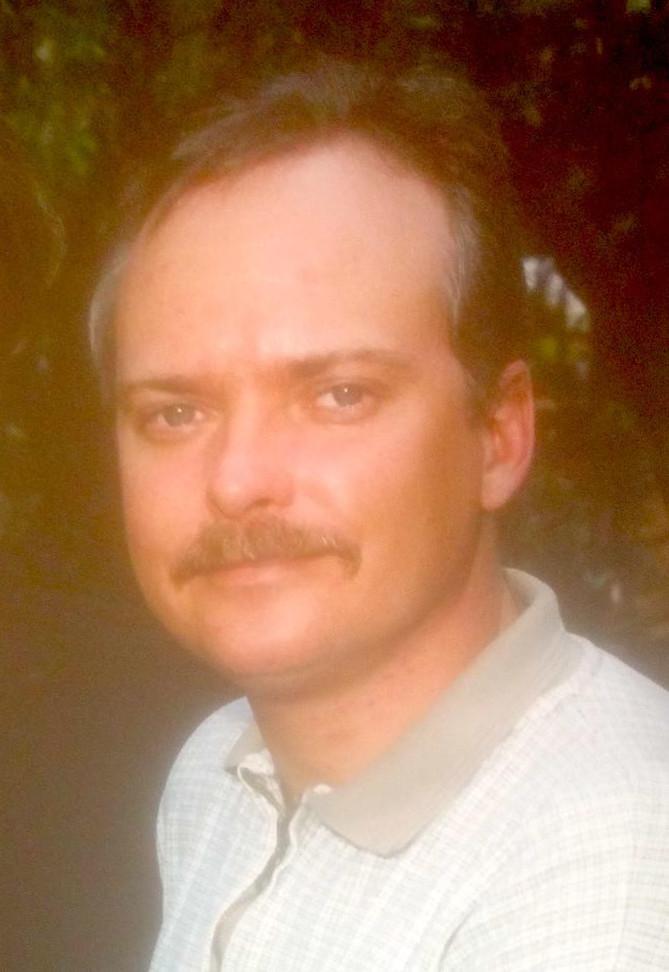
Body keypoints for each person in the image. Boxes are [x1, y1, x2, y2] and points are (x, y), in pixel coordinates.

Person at [89, 59, 669, 970]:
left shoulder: (611, 872)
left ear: (497, 436)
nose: (236, 479)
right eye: (175, 413)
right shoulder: (217, 769)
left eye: (339, 394)